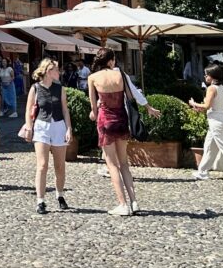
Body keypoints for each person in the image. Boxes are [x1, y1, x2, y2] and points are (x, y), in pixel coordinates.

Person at [88, 47, 160, 216]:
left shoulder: (92, 78)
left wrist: (94, 112)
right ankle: (134, 202)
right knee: (124, 164)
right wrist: (148, 107)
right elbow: (131, 97)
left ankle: (122, 204)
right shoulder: (120, 74)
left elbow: (93, 110)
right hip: (122, 120)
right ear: (111, 60)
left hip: (105, 122)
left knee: (112, 165)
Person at [26, 59, 74, 215]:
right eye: (56, 70)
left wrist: (69, 129)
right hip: (41, 126)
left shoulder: (60, 89)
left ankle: (60, 195)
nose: (58, 72)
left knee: (60, 165)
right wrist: (29, 127)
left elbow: (65, 110)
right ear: (48, 71)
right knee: (42, 165)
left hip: (58, 126)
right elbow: (28, 110)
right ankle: (40, 200)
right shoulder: (35, 88)